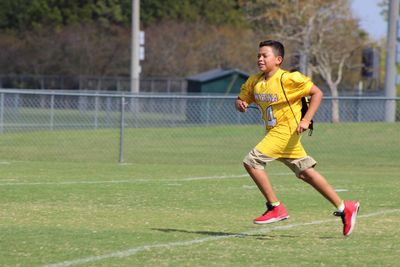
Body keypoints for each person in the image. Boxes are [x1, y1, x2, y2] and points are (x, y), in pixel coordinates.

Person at [235, 40, 360, 236]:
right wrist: (240, 103)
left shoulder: (288, 79)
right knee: (305, 173)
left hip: (286, 132)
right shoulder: (254, 81)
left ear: (278, 60)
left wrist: (306, 120)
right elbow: (242, 99)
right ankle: (346, 207)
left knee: (251, 162)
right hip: (275, 134)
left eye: (264, 55)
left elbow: (317, 93)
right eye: (258, 55)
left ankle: (275, 207)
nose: (260, 58)